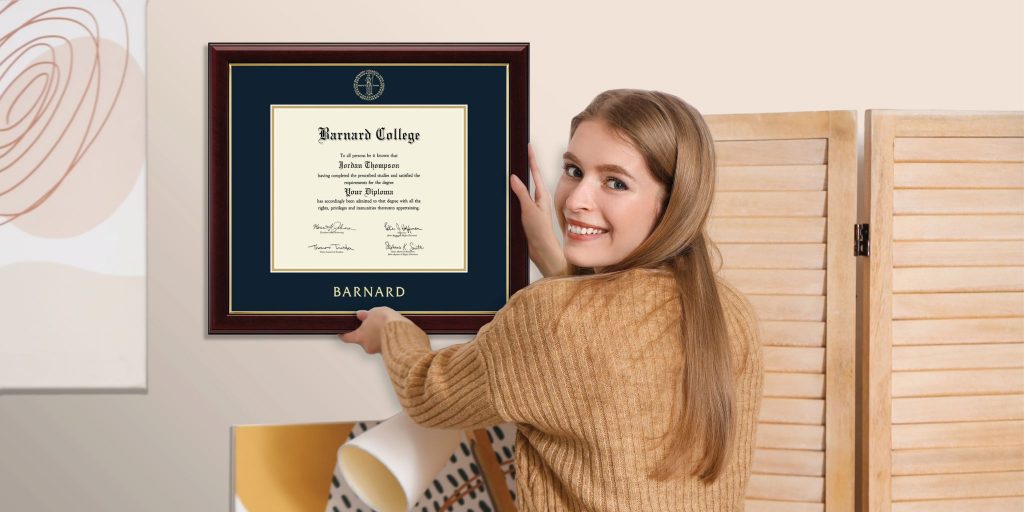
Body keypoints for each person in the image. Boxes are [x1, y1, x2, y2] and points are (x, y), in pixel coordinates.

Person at [338, 89, 764, 510]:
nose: (575, 201)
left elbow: (427, 395)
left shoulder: (554, 321)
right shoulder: (729, 312)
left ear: (672, 204)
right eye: (574, 170)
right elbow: (608, 360)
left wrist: (392, 330)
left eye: (615, 182)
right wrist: (553, 258)